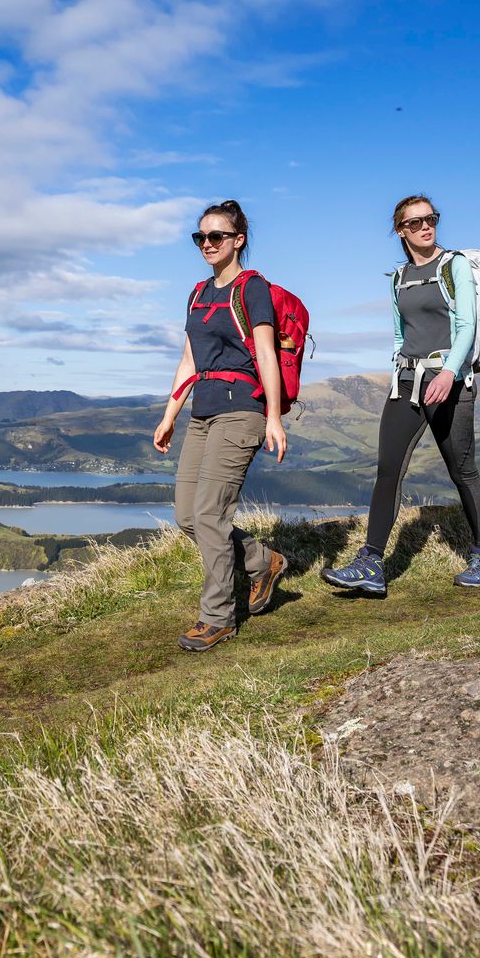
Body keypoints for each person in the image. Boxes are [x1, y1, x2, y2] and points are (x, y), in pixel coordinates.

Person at [322, 195, 480, 597]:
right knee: (388, 471)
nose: (425, 226)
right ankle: (371, 563)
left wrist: (450, 372)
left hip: (449, 381)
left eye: (431, 218)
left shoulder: (453, 265)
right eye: (415, 222)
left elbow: (467, 324)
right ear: (400, 231)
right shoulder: (398, 277)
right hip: (407, 382)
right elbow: (401, 334)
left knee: (463, 471)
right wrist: (397, 374)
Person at [153, 199, 289, 651]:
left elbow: (266, 353)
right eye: (201, 237)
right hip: (203, 412)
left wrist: (273, 415)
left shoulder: (253, 289)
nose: (207, 244)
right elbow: (189, 358)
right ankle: (262, 561)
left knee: (211, 514)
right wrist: (170, 415)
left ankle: (219, 616)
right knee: (187, 516)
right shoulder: (196, 294)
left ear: (238, 240)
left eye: (217, 236)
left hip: (241, 411)